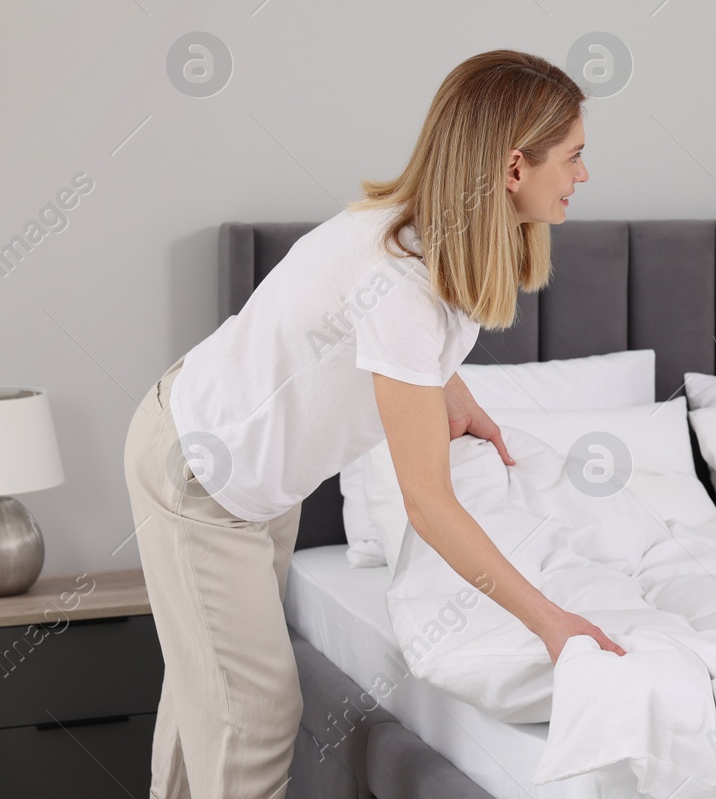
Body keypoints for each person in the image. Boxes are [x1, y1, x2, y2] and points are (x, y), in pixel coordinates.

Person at [123, 50, 625, 799]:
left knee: (208, 702)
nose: (583, 174)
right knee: (253, 718)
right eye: (575, 156)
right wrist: (551, 622)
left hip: (252, 476)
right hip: (202, 477)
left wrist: (455, 395)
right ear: (515, 167)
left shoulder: (429, 238)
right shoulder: (400, 279)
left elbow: (402, 348)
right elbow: (428, 502)